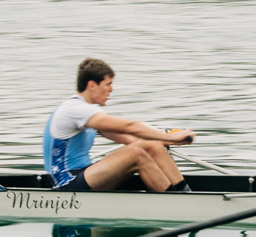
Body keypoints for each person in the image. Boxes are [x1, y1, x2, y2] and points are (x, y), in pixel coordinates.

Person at [43, 58, 192, 192]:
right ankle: (175, 203)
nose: (111, 90)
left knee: (152, 145)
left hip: (85, 174)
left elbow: (131, 138)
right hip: (66, 182)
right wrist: (173, 138)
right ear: (91, 85)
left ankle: (185, 193)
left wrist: (166, 139)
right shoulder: (75, 109)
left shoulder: (88, 112)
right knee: (136, 154)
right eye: (108, 84)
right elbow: (130, 127)